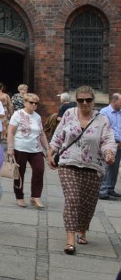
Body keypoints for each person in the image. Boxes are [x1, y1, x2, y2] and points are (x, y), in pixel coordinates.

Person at [48, 86, 116, 255]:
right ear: (76, 101)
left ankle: (82, 230)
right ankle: (70, 239)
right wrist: (50, 153)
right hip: (68, 163)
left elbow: (108, 139)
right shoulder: (69, 114)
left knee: (88, 203)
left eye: (88, 100)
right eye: (80, 100)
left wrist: (109, 152)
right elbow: (58, 135)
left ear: (93, 101)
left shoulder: (102, 119)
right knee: (72, 199)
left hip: (93, 166)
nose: (84, 103)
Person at [6, 93, 50, 208]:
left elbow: (41, 134)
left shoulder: (37, 116)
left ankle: (35, 197)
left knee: (39, 170)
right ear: (25, 102)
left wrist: (48, 149)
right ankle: (19, 196)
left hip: (36, 149)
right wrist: (10, 148)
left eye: (36, 103)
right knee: (19, 174)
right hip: (20, 148)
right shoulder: (18, 114)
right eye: (31, 102)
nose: (34, 105)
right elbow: (10, 131)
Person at [98, 93, 121, 200]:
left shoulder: (120, 113)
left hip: (119, 144)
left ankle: (110, 188)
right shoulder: (104, 112)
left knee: (114, 168)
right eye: (120, 101)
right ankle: (102, 190)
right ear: (114, 101)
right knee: (107, 166)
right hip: (109, 144)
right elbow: (107, 129)